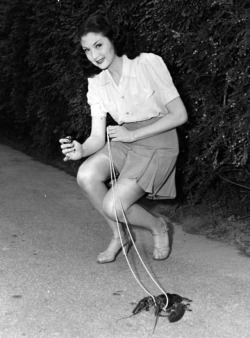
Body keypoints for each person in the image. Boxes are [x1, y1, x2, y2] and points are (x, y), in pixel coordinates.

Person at [59, 12, 188, 264]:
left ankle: (158, 226)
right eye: (87, 50)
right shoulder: (96, 81)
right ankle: (120, 235)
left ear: (113, 39)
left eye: (99, 45)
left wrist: (133, 134)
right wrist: (81, 150)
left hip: (158, 140)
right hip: (126, 139)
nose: (94, 55)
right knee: (85, 175)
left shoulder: (146, 63)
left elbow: (179, 114)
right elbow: (97, 136)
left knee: (114, 206)